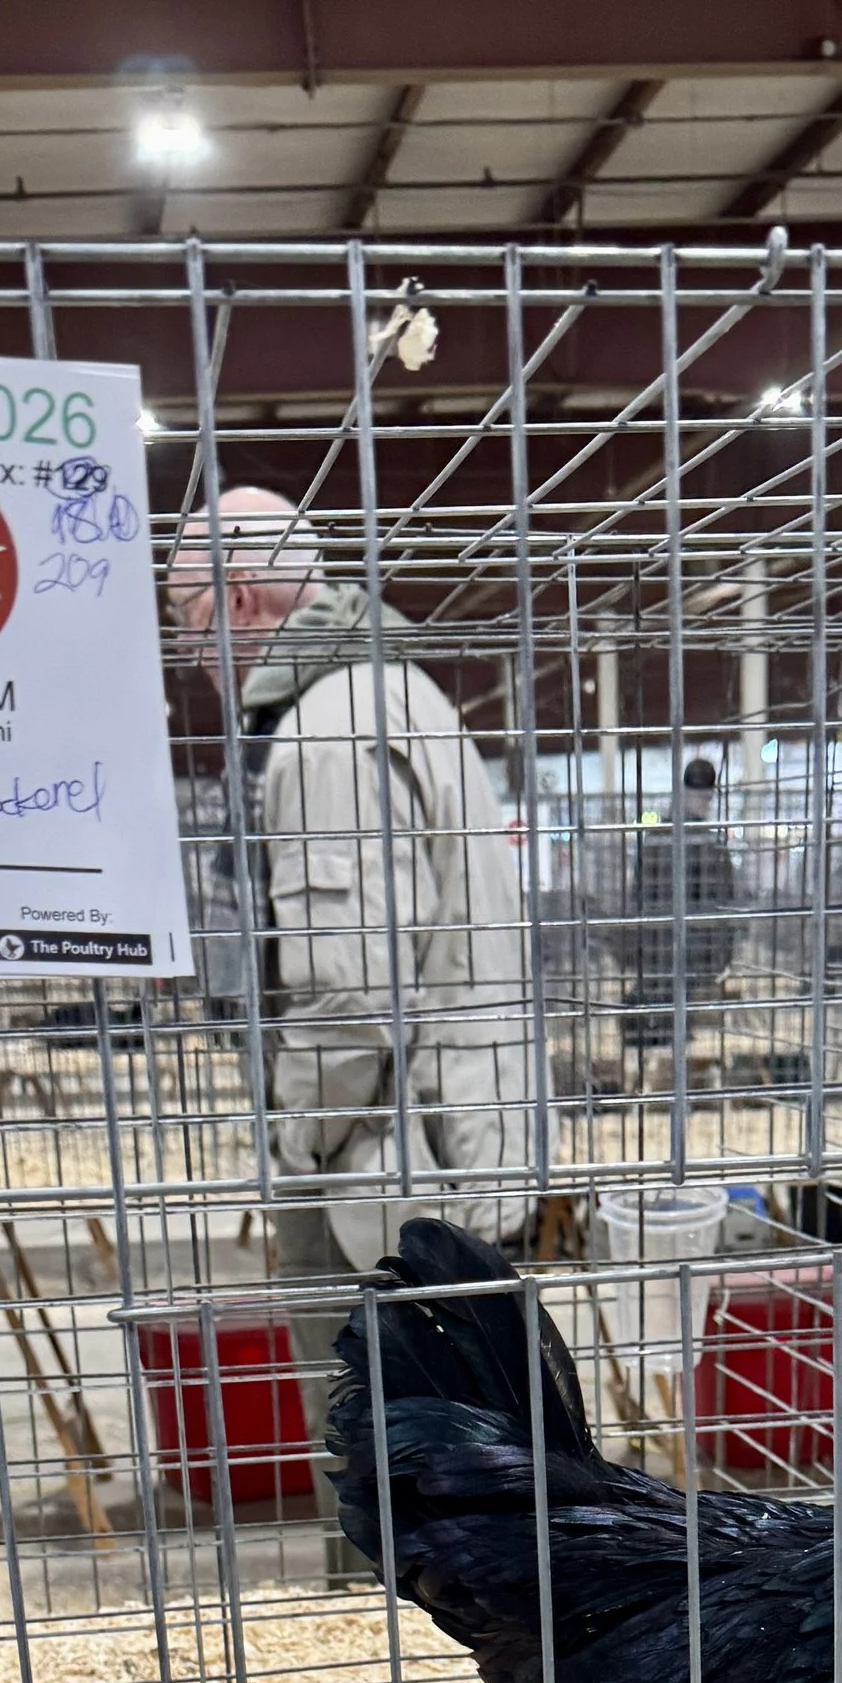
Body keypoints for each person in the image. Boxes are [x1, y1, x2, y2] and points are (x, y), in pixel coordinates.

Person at [163, 489, 533, 1563]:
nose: (195, 654)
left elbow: (350, 996)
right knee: (475, 1463)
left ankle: (381, 1679)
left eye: (191, 624)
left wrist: (295, 1138)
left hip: (383, 1162)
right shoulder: (406, 694)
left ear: (238, 599)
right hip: (459, 1137)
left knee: (386, 1477)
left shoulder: (325, 734)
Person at [622, 754, 740, 1078]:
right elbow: (723, 899)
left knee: (669, 1001)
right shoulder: (707, 841)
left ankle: (665, 1065)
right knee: (678, 1002)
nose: (705, 802)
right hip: (692, 946)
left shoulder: (660, 836)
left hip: (664, 944)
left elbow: (640, 891)